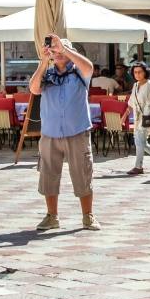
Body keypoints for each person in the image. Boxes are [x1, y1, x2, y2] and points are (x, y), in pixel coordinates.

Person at [29, 35, 98, 232]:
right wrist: (43, 61)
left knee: (82, 173)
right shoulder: (47, 74)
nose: (57, 52)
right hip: (50, 133)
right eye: (55, 49)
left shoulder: (79, 73)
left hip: (77, 132)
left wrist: (64, 49)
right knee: (48, 174)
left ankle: (88, 216)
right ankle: (52, 216)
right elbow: (34, 89)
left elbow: (89, 67)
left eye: (62, 49)